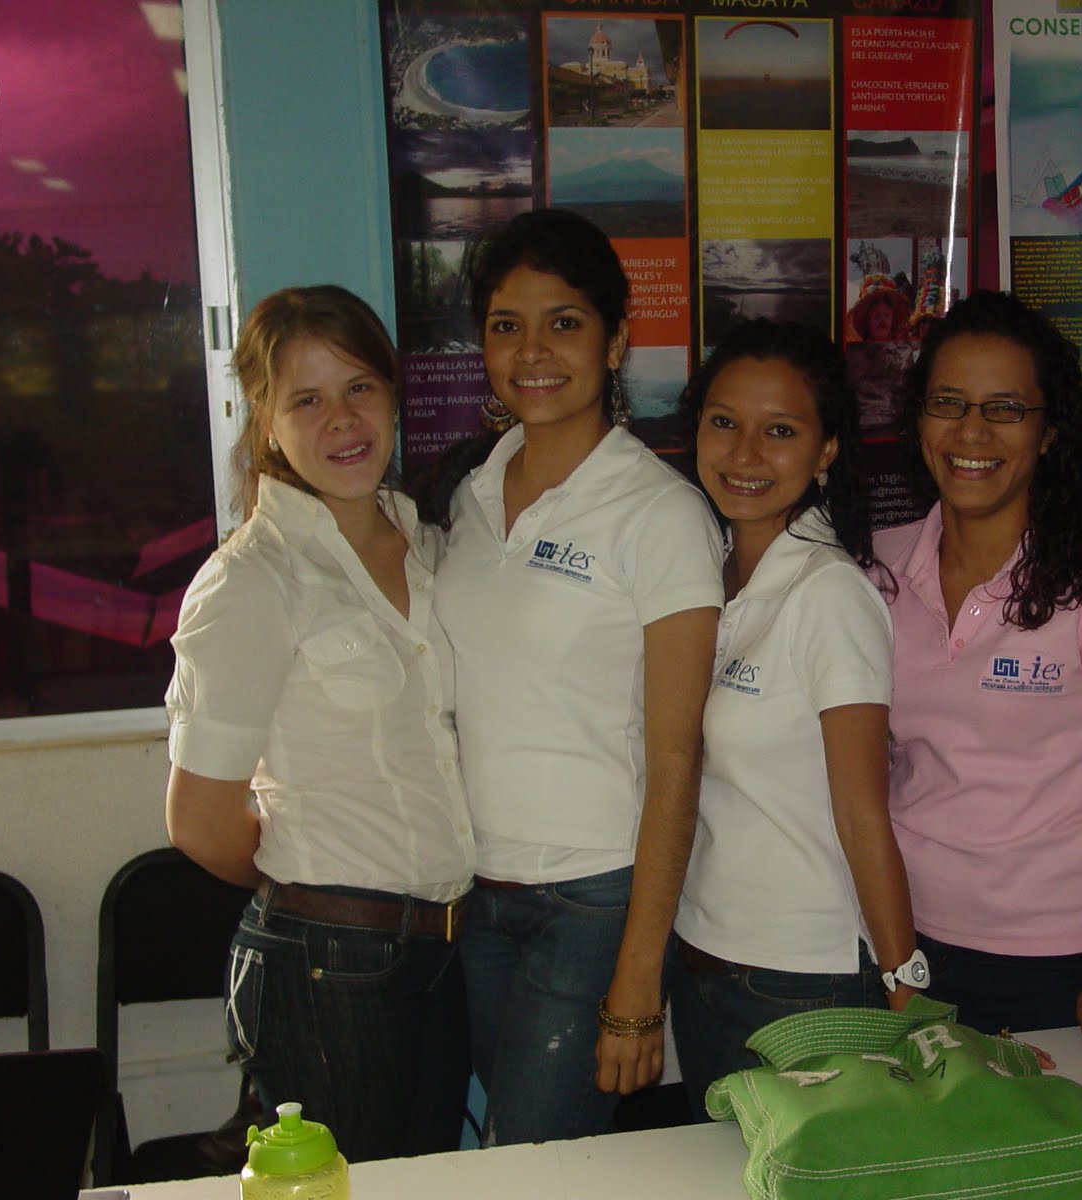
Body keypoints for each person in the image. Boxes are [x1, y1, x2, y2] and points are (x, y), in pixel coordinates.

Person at [424, 210, 723, 1144]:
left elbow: (678, 759)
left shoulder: (659, 514)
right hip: (479, 895)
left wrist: (637, 979)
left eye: (564, 322)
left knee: (532, 1159)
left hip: (592, 899)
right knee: (521, 1153)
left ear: (616, 340)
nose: (532, 352)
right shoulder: (470, 494)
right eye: (506, 325)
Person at [164, 285, 473, 1160]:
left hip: (444, 948)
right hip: (327, 961)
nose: (342, 420)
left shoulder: (427, 541)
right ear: (265, 421)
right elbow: (198, 823)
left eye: (359, 388)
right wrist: (317, 887)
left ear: (393, 393)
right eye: (307, 400)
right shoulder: (252, 581)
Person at [878, 289, 1082, 1042]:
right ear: (918, 418)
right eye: (948, 402)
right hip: (896, 940)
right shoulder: (876, 569)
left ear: (1049, 433)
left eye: (1006, 408)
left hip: (1054, 955)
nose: (971, 431)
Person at [668, 319, 919, 1118]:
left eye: (780, 431)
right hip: (701, 958)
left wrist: (906, 985)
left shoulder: (829, 594)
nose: (745, 454)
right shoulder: (705, 579)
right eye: (724, 422)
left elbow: (863, 811)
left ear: (827, 450)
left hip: (801, 982)